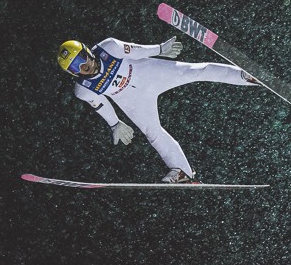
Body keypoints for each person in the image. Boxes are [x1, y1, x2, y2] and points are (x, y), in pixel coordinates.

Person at [57, 36, 259, 183]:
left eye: (81, 59)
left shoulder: (108, 48)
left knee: (197, 71)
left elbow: (135, 50)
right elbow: (101, 105)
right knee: (152, 132)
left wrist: (160, 49)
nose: (83, 67)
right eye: (75, 68)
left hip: (149, 73)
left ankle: (245, 76)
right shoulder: (83, 89)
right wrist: (115, 124)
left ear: (87, 51)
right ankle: (182, 172)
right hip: (133, 99)